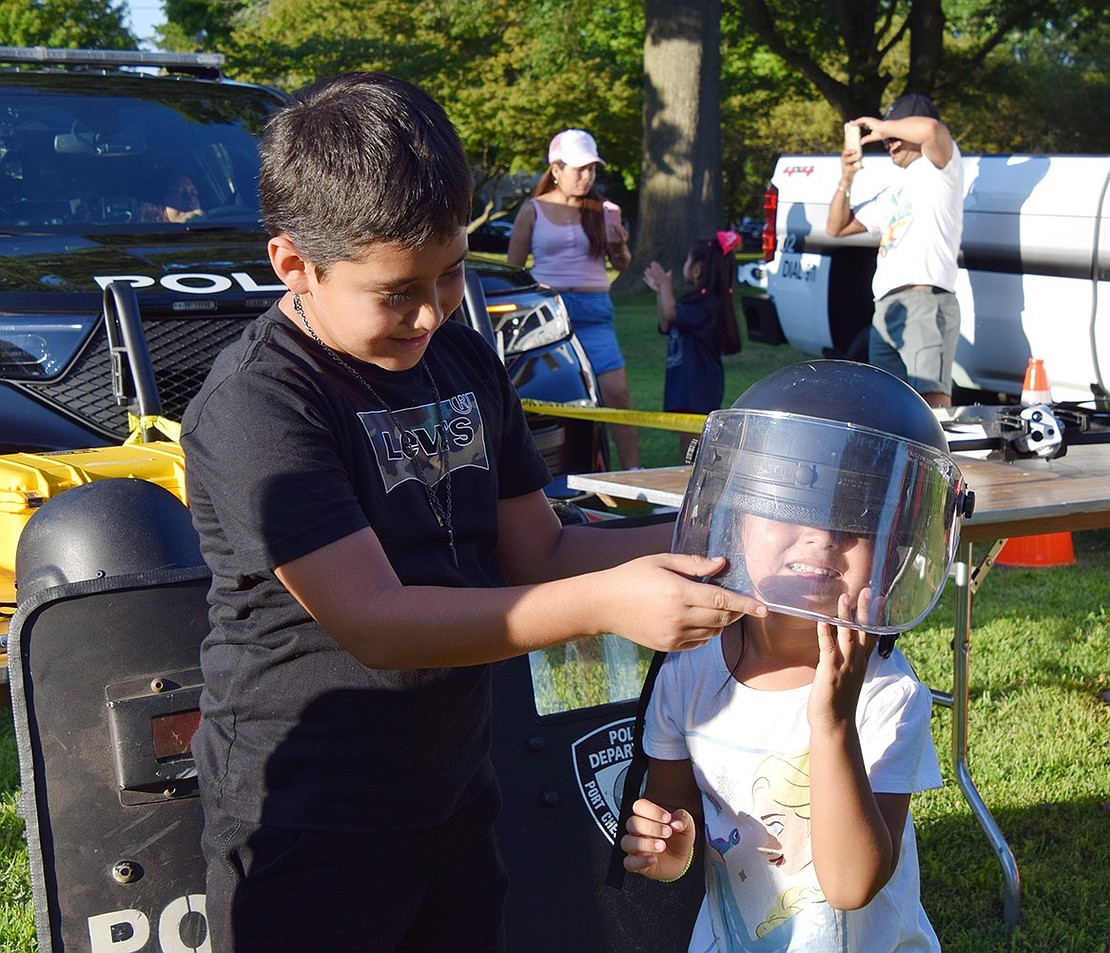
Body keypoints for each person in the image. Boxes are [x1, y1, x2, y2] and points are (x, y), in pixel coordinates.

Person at [180, 72, 764, 953]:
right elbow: (375, 621)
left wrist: (733, 540)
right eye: (395, 291)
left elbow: (539, 550)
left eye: (451, 274)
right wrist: (611, 605)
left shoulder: (461, 357)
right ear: (294, 264)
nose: (429, 311)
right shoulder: (260, 405)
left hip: (451, 787)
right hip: (310, 811)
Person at [620, 360, 975, 951]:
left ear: (895, 553)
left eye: (854, 521)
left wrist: (833, 720)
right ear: (735, 517)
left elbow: (851, 884)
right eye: (788, 506)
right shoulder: (688, 672)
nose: (820, 536)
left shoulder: (887, 695)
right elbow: (678, 830)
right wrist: (669, 847)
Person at [507, 128, 640, 468]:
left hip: (595, 312)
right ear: (556, 169)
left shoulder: (604, 209)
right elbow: (514, 270)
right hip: (548, 313)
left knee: (616, 394)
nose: (587, 176)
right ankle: (549, 472)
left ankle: (632, 472)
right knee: (555, 396)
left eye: (592, 169)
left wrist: (620, 247)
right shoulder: (532, 210)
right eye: (579, 169)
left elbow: (621, 264)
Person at [826, 93, 963, 408]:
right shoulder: (893, 189)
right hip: (885, 310)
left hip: (924, 302)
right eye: (887, 138)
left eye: (895, 136)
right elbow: (837, 227)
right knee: (889, 409)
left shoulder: (942, 170)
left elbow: (931, 130)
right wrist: (846, 177)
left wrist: (884, 126)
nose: (888, 143)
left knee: (929, 408)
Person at [642, 230, 742, 458]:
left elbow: (670, 311)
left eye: (688, 260)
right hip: (686, 383)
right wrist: (660, 292)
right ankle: (689, 476)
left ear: (697, 269)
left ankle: (695, 480)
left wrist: (666, 284)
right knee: (687, 440)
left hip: (699, 383)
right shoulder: (693, 302)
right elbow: (666, 323)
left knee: (694, 442)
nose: (684, 264)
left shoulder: (707, 305)